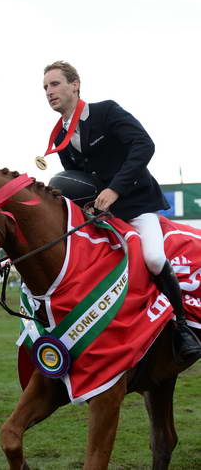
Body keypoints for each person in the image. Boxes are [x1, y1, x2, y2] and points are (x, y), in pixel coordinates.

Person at [42, 60, 201, 366]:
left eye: (55, 84)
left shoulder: (106, 112)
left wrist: (115, 189)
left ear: (75, 84)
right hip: (102, 216)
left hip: (137, 205)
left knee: (154, 257)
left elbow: (144, 145)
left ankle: (181, 328)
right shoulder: (60, 137)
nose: (50, 92)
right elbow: (81, 180)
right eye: (45, 87)